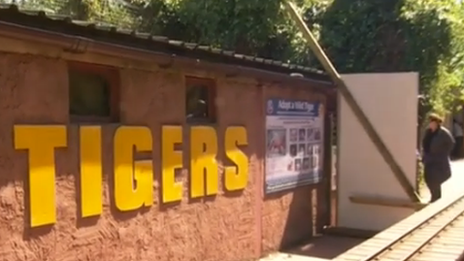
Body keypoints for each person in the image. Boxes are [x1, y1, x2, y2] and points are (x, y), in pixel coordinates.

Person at [421, 113, 455, 203]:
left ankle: (435, 198)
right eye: (429, 122)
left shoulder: (443, 132)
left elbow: (451, 143)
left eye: (432, 122)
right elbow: (425, 142)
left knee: (435, 178)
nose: (430, 124)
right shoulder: (428, 132)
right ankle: (435, 196)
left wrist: (443, 153)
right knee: (427, 178)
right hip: (429, 158)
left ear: (436, 123)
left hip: (438, 160)